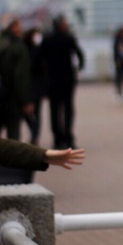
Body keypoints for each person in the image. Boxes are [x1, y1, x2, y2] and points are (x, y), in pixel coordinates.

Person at [0, 16, 34, 140]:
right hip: (11, 99)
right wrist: (26, 101)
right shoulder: (18, 47)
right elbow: (21, 77)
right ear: (13, 27)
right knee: (13, 140)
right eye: (18, 25)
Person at [40, 15, 85, 150]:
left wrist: (43, 73)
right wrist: (78, 68)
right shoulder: (68, 38)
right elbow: (80, 55)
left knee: (54, 110)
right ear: (60, 25)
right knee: (68, 109)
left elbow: (38, 58)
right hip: (67, 80)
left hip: (52, 81)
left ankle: (57, 139)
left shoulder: (47, 39)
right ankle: (68, 138)